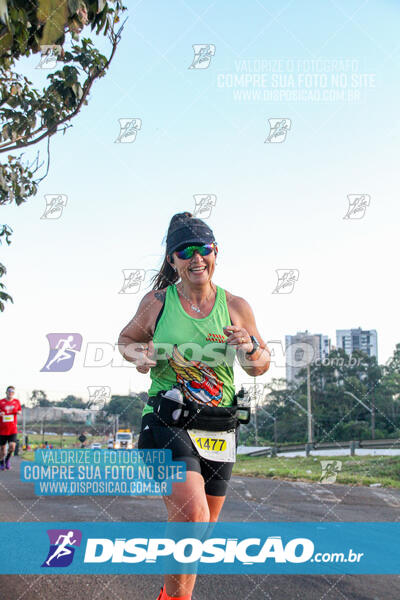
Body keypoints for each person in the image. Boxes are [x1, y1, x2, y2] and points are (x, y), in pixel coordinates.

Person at [118, 212, 271, 600]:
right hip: (167, 420)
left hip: (220, 426)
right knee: (192, 514)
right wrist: (141, 354)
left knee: (199, 530)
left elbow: (259, 365)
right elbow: (126, 339)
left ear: (215, 252)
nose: (195, 257)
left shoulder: (236, 305)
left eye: (202, 249)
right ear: (173, 261)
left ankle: (169, 595)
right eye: (184, 251)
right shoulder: (156, 303)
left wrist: (248, 348)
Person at [0, 386, 22, 471]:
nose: (11, 392)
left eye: (12, 391)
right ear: (6, 392)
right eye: (9, 391)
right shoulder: (1, 402)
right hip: (2, 429)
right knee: (2, 449)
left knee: (12, 447)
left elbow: (20, 410)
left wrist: (18, 412)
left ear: (14, 393)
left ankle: (7, 460)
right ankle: (1, 462)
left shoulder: (16, 402)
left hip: (12, 429)